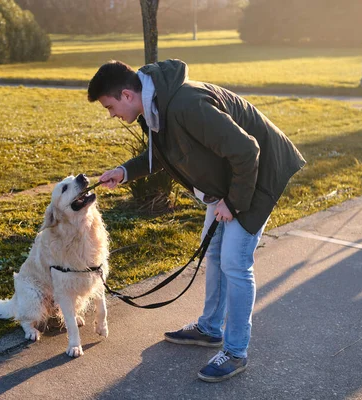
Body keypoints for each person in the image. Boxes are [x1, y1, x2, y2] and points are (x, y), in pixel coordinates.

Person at [87, 59, 306, 382]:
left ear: (126, 95)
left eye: (110, 107)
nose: (112, 115)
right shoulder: (155, 107)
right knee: (215, 253)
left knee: (235, 262)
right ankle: (210, 329)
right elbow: (164, 155)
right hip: (227, 181)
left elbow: (248, 150)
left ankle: (235, 352)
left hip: (257, 176)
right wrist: (124, 172)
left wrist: (233, 202)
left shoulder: (186, 104)